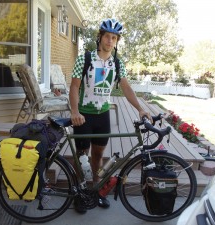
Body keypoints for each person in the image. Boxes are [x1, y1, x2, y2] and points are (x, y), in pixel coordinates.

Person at [69, 18, 152, 214]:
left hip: (102, 115)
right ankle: (79, 191)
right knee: (81, 156)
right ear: (100, 37)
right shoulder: (85, 58)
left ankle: (96, 189)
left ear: (116, 41)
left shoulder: (117, 63)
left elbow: (126, 87)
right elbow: (74, 86)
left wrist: (140, 109)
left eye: (114, 38)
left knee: (97, 155)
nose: (110, 40)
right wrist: (74, 111)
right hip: (84, 115)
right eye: (107, 36)